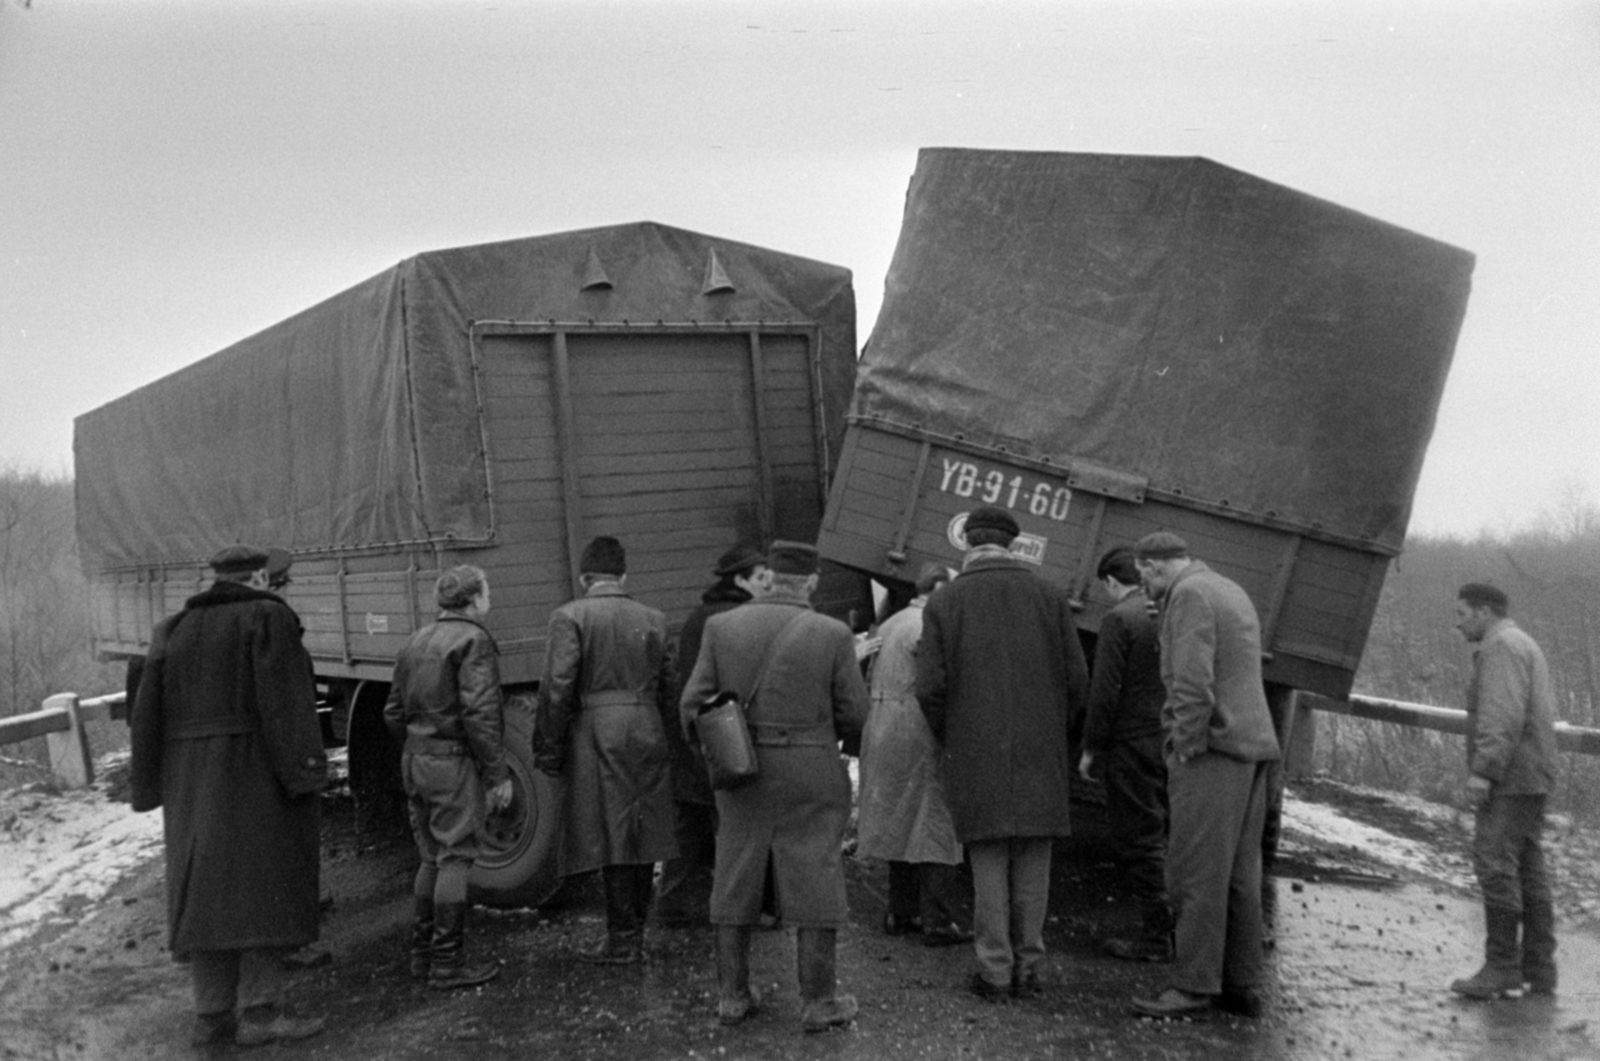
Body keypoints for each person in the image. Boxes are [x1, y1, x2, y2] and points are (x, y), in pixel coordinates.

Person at [129, 545, 328, 1047]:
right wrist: (305, 773)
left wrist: (150, 785)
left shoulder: (171, 629)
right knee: (265, 891)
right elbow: (286, 704)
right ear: (259, 575)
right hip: (256, 773)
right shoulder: (267, 618)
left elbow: (144, 713)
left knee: (207, 900)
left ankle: (212, 1017)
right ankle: (262, 1014)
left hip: (191, 782)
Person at [678, 540, 870, 1032]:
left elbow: (692, 705)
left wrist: (720, 757)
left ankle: (733, 997)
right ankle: (818, 1003)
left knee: (736, 871)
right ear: (809, 582)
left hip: (741, 771)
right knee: (816, 873)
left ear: (769, 577)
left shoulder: (721, 627)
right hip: (810, 767)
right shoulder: (831, 633)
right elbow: (855, 714)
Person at [916, 506, 1090, 1002]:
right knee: (1034, 857)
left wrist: (955, 734)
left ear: (968, 544)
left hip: (975, 750)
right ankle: (1030, 966)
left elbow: (929, 686)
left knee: (988, 858)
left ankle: (994, 969)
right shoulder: (1049, 595)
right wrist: (1056, 734)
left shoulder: (946, 602)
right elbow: (1078, 682)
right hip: (1041, 750)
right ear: (1012, 545)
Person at [1128, 532, 1279, 1019]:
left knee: (1194, 871)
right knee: (1239, 873)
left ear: (1151, 567)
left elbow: (1192, 682)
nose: (1144, 588)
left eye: (1143, 577)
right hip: (1252, 746)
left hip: (1213, 750)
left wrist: (1184, 746)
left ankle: (1193, 985)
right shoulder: (1225, 587)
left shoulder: (1189, 596)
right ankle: (1242, 983)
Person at [534, 535, 677, 964]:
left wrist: (548, 749)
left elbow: (557, 689)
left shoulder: (569, 616)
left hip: (597, 729)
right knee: (643, 827)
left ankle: (623, 939)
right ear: (623, 575)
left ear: (583, 577)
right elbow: (670, 687)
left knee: (611, 832)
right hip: (647, 724)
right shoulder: (654, 618)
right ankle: (637, 928)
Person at [383, 565, 512, 990]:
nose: (489, 599)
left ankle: (423, 957)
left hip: (415, 760)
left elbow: (393, 713)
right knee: (456, 857)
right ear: (474, 599)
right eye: (487, 591)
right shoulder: (474, 640)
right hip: (451, 764)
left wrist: (420, 744)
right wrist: (496, 774)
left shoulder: (415, 640)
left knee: (431, 857)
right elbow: (481, 714)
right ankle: (447, 964)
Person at [1448, 582, 1559, 999]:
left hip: (1511, 777)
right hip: (1532, 773)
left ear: (1483, 611)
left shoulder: (1501, 649)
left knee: (1494, 864)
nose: (1457, 624)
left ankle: (1501, 966)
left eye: (1462, 614)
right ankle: (1539, 968)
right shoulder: (1521, 642)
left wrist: (1484, 772)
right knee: (1527, 867)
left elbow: (1502, 715)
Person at [656, 542, 771, 928]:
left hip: (693, 732)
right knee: (735, 825)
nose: (766, 585)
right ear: (739, 581)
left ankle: (672, 904)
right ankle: (740, 909)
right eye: (760, 578)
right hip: (727, 735)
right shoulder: (736, 618)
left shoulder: (699, 616)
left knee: (689, 824)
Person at [857, 562, 971, 946]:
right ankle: (939, 920)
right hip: (917, 728)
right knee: (936, 822)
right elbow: (935, 687)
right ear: (938, 588)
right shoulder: (928, 627)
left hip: (882, 726)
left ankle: (900, 911)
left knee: (898, 819)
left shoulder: (891, 623)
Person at [1078, 546, 1173, 962]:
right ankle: (1183, 929)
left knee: (1141, 840)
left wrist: (1090, 747)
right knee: (1168, 836)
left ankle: (1156, 937)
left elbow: (1104, 694)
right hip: (1169, 738)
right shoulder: (1169, 612)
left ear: (1113, 583)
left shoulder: (1120, 619)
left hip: (1133, 744)